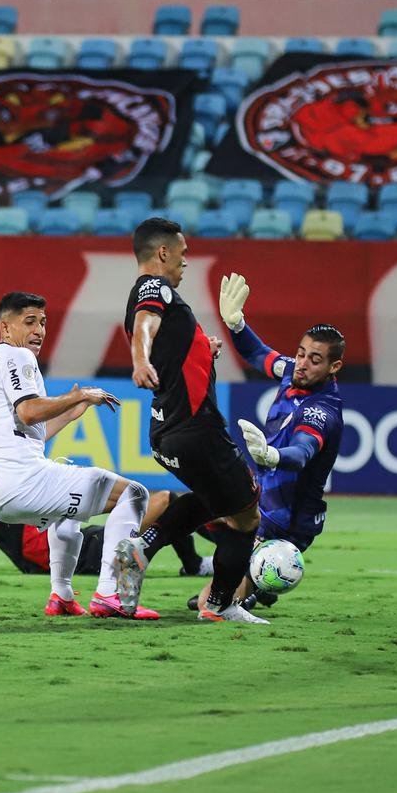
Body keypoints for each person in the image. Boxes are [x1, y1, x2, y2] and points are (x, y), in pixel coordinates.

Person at [115, 217, 267, 624]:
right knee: (247, 514)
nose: (187, 260)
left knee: (214, 500)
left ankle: (143, 546)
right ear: (163, 252)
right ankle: (219, 605)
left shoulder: (159, 300)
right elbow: (145, 325)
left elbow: (167, 341)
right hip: (198, 429)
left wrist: (203, 346)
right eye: (183, 252)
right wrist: (140, 359)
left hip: (166, 434)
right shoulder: (155, 286)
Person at [0, 291, 158, 618]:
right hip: (23, 482)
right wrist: (78, 394)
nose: (39, 331)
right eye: (29, 322)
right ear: (6, 328)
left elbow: (31, 430)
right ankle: (109, 593)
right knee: (134, 494)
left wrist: (73, 408)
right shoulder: (18, 357)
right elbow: (30, 411)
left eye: (43, 323)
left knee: (66, 511)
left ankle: (60, 595)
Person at [214, 272, 345, 610]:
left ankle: (258, 583)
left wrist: (272, 454)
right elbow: (259, 355)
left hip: (288, 523)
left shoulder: (323, 410)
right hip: (264, 504)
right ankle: (251, 583)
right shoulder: (292, 371)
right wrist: (237, 325)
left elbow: (301, 453)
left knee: (213, 604)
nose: (302, 363)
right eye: (300, 353)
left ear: (335, 367)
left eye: (314, 359)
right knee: (189, 506)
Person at [0, 491, 214, 586]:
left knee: (169, 504)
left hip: (82, 543)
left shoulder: (22, 490)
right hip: (74, 555)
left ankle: (195, 563)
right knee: (168, 501)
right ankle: (202, 560)